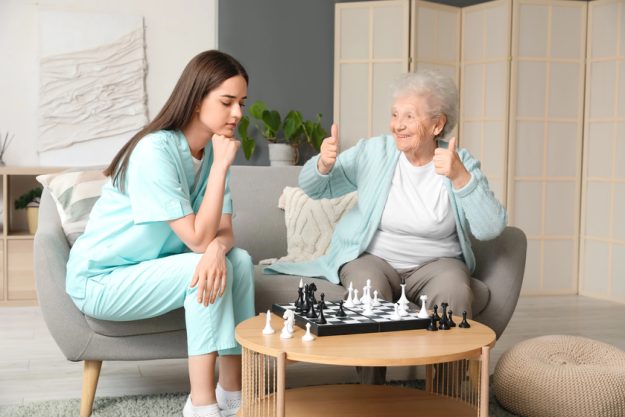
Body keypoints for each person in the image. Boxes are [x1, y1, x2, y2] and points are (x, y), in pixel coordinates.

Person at [265, 69, 506, 383]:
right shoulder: (374, 153)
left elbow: (491, 228)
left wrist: (461, 177)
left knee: (454, 293)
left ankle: (448, 395)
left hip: (437, 263)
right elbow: (316, 188)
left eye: (409, 115)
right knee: (366, 292)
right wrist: (323, 163)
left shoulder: (459, 161)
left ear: (438, 124)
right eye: (394, 114)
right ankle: (371, 393)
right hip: (374, 259)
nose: (398, 124)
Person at [66, 50, 254, 417]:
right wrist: (210, 248)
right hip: (102, 280)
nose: (238, 114)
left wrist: (217, 250)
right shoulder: (155, 150)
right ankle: (201, 405)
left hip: (149, 271)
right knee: (199, 267)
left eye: (242, 103)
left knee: (240, 261)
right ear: (197, 99)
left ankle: (233, 394)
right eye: (227, 102)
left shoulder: (215, 150)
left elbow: (225, 233)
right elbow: (199, 241)